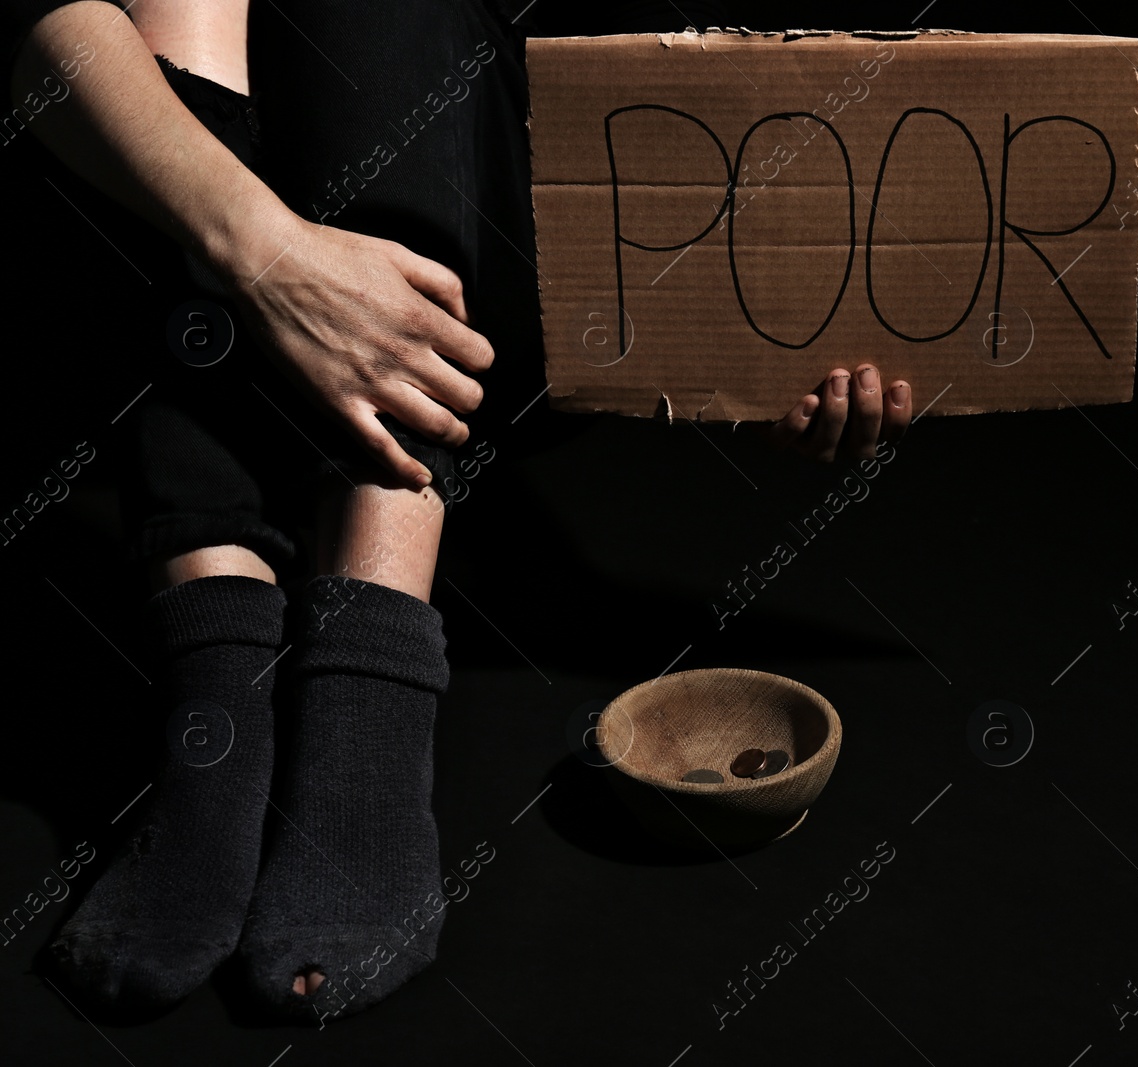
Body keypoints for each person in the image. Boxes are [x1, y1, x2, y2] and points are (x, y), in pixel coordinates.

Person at [4, 0, 912, 1021]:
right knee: (158, 26)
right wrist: (272, 260)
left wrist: (747, 350)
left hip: (486, 238)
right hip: (168, 239)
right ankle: (218, 692)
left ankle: (366, 694)